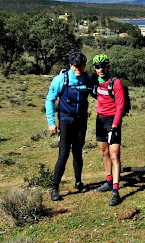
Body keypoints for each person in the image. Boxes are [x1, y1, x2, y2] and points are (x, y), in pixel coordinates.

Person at [45, 51, 94, 201]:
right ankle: (55, 188)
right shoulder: (61, 79)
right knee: (64, 153)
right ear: (70, 65)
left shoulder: (88, 78)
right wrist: (51, 122)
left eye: (81, 66)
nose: (78, 68)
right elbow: (49, 100)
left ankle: (79, 182)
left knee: (78, 152)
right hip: (66, 120)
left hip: (81, 121)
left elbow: (98, 92)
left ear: (84, 66)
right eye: (75, 66)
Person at [91, 54, 126, 206]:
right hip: (100, 120)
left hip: (113, 121)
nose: (101, 69)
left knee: (114, 156)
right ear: (95, 69)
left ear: (108, 66)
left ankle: (115, 191)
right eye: (98, 67)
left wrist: (114, 126)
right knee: (104, 153)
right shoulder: (94, 81)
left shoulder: (116, 83)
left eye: (103, 66)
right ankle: (108, 181)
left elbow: (120, 106)